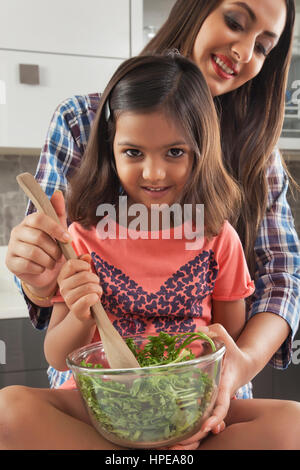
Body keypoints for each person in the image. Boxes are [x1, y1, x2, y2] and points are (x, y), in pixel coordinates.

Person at [4, 0, 300, 442]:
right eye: (235, 22)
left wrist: (232, 368)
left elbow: (270, 290)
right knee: (10, 410)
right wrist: (42, 279)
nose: (155, 174)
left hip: (200, 400)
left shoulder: (222, 233)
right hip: (99, 401)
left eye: (263, 46)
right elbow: (51, 316)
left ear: (204, 153)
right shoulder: (83, 217)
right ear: (109, 147)